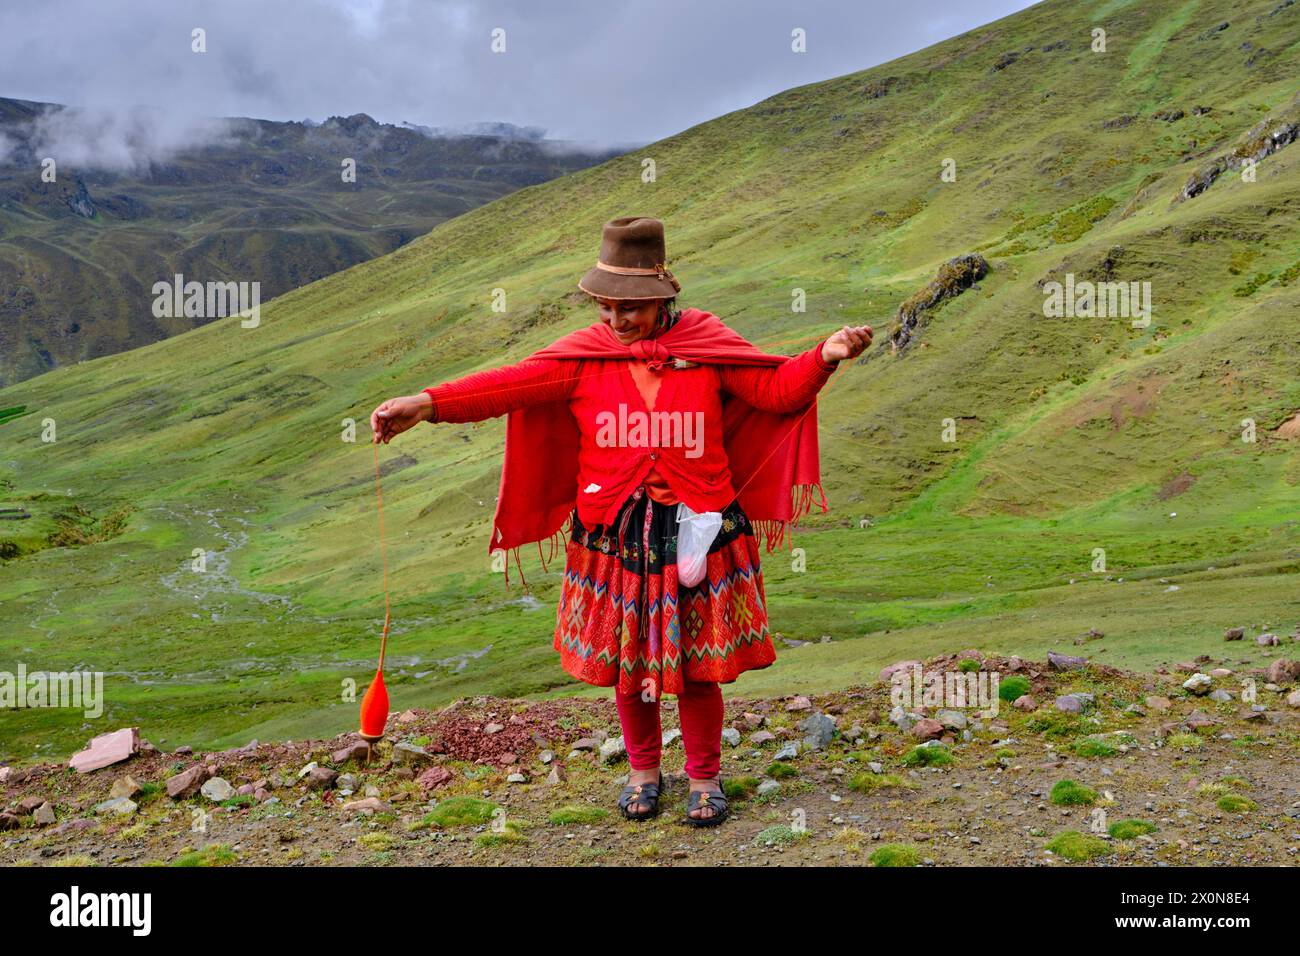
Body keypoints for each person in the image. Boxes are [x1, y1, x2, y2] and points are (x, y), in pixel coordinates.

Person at [370, 216, 871, 825]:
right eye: (608, 307)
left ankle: (705, 780)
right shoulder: (584, 359)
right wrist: (428, 404)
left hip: (699, 528)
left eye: (629, 308)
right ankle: (643, 774)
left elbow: (777, 393)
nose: (616, 320)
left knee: (698, 667)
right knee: (630, 669)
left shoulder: (707, 349)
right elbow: (508, 386)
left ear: (663, 300)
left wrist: (825, 356)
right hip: (617, 534)